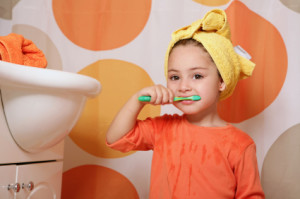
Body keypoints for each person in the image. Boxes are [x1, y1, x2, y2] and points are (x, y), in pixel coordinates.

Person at [106, 9, 265, 199]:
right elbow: (115, 139)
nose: (183, 86)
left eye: (197, 76)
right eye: (175, 77)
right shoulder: (162, 128)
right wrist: (137, 99)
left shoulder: (241, 144)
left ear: (221, 81)